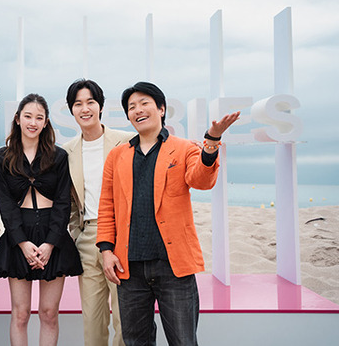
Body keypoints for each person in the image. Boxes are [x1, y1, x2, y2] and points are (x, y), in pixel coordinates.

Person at [96, 81, 240, 346]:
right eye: (131, 107)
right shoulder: (117, 156)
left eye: (144, 103)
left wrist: (212, 141)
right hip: (130, 269)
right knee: (136, 342)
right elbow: (106, 206)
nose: (138, 110)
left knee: (183, 341)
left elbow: (202, 180)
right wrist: (106, 251)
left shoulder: (183, 148)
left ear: (161, 109)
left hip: (174, 267)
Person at [0, 93, 83, 346]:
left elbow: (64, 203)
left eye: (39, 117)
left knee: (49, 313)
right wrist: (21, 242)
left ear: (46, 122)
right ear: (18, 119)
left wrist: (51, 243)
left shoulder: (59, 156)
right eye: (28, 116)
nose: (33, 122)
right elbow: (5, 205)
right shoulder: (1, 158)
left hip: (52, 237)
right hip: (18, 236)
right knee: (20, 314)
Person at [62, 79, 133, 346]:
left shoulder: (125, 141)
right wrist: (76, 232)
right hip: (87, 236)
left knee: (125, 319)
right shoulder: (67, 151)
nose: (85, 108)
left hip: (122, 236)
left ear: (100, 106)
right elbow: (68, 200)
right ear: (71, 110)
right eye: (78, 103)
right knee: (92, 319)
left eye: (90, 102)